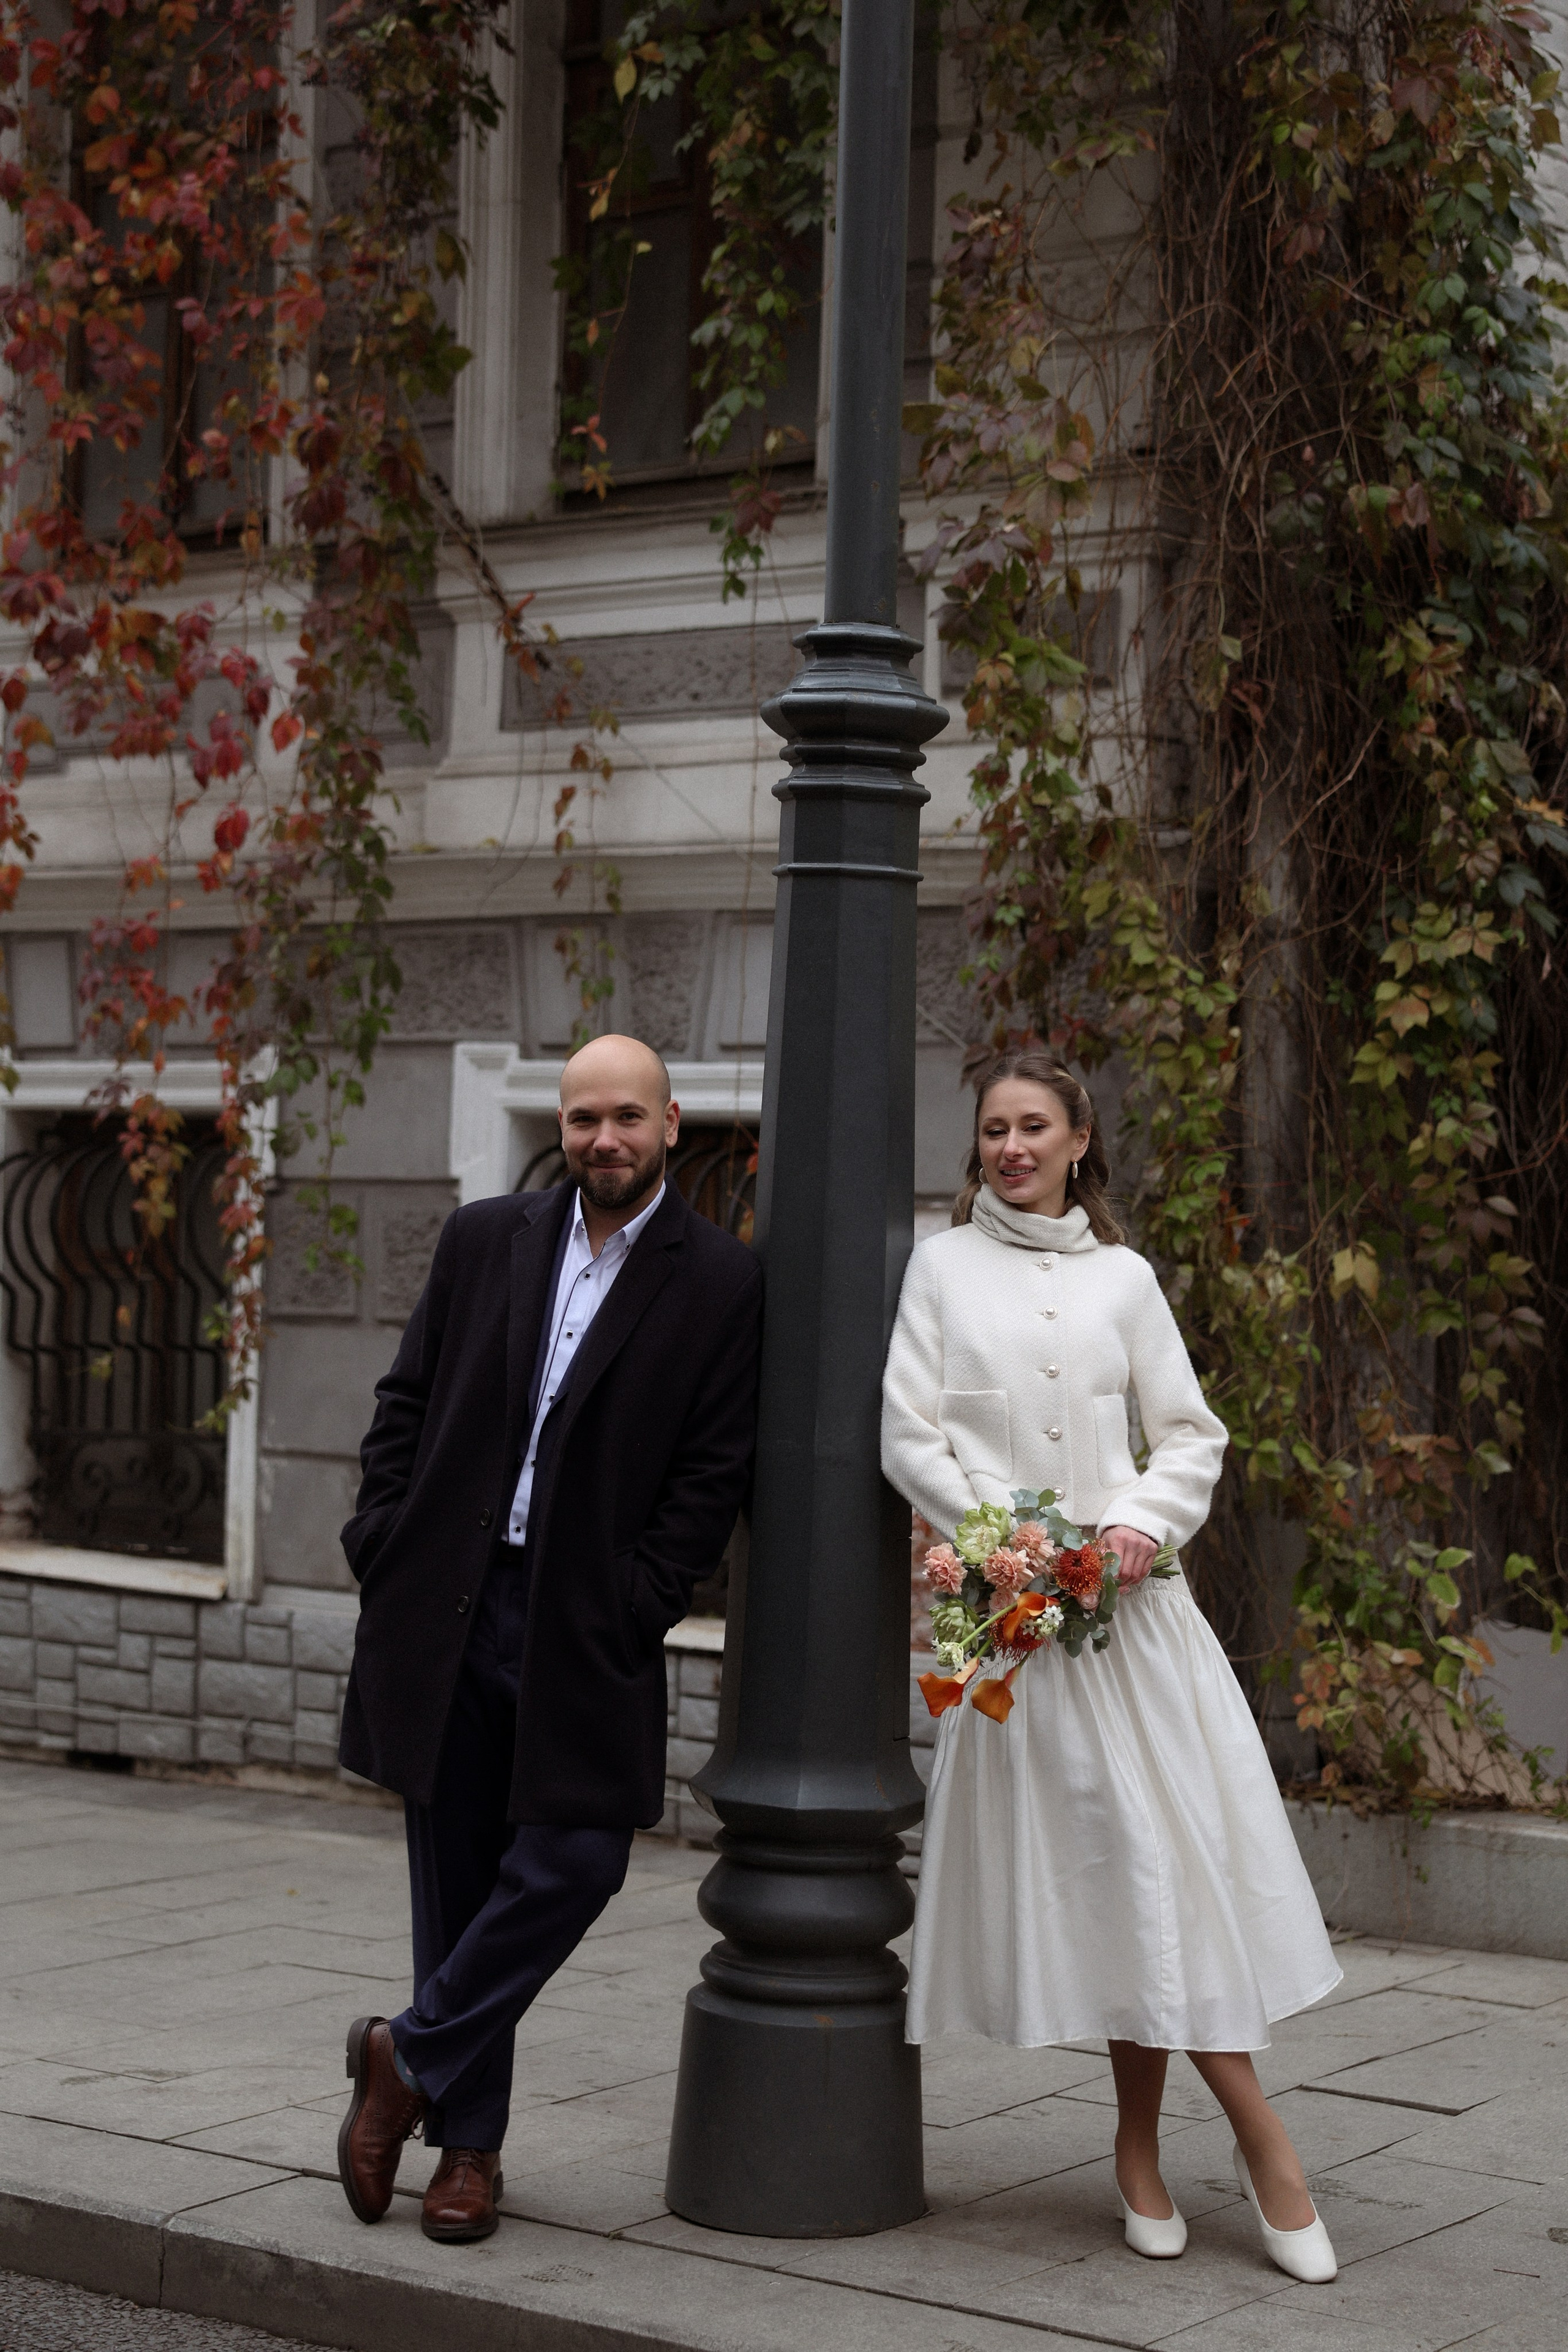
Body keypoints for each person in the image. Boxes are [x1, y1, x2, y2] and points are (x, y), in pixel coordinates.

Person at [881, 1046, 1341, 2284]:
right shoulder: (939, 1269)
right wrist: (999, 1540)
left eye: (1034, 1126)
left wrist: (1136, 1526)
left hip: (1134, 1624)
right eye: (992, 1129)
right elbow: (907, 1429)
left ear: (1079, 1138)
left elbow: (1189, 1432)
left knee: (1156, 1874)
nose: (1011, 1147)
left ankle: (1165, 2147)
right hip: (1015, 1635)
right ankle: (1240, 2143)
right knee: (1118, 1882)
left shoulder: (1125, 1280)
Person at [334, 1033, 762, 2244]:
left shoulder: (720, 1280)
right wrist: (382, 1537)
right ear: (559, 1130)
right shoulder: (487, 1241)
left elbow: (711, 1474)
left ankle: (400, 2060)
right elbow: (405, 1402)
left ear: (672, 1123)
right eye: (582, 1120)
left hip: (585, 1620)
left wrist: (639, 1598)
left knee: (575, 1863)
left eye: (626, 1117)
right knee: (456, 1887)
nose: (603, 1140)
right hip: (448, 1602)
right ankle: (466, 2154)